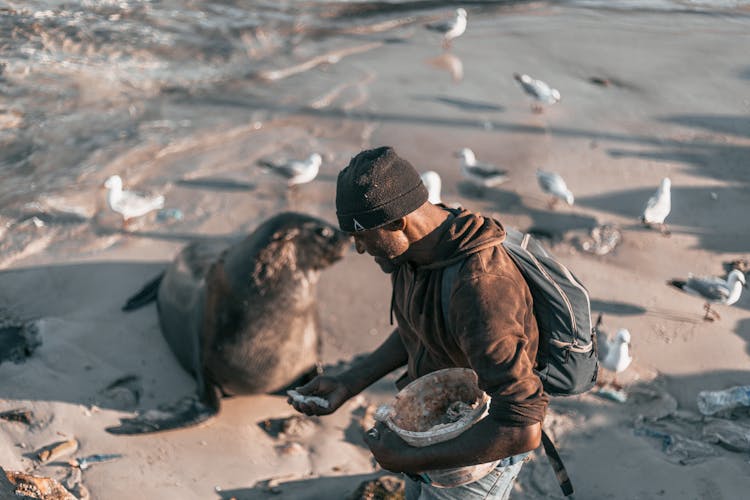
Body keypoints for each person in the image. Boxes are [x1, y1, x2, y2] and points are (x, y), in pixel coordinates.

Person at [288, 146, 549, 499]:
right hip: (428, 431)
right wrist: (350, 382)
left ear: (398, 221)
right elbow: (421, 327)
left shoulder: (480, 290)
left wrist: (411, 457)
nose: (360, 250)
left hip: (478, 452)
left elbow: (522, 427)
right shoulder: (414, 248)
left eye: (362, 236)